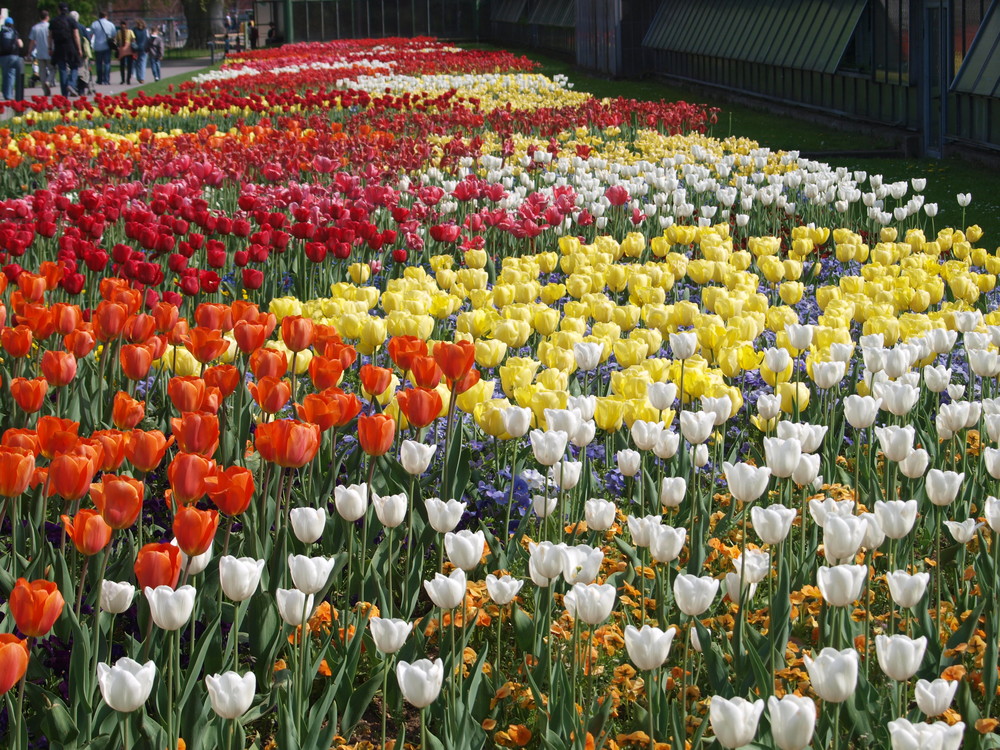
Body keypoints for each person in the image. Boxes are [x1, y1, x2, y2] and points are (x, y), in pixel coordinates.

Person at [49, 3, 82, 97]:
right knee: (75, 66)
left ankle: (64, 94)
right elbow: (76, 35)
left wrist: (50, 48)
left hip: (58, 47)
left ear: (58, 10)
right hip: (70, 46)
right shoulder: (71, 20)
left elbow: (50, 36)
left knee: (62, 69)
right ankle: (71, 84)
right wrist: (79, 48)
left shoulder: (53, 21)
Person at [28, 10, 54, 96]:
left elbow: (32, 41)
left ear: (40, 17)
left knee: (42, 72)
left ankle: (44, 89)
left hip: (39, 52)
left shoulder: (35, 28)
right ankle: (48, 81)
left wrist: (29, 52)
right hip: (49, 52)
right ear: (47, 17)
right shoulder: (50, 26)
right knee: (53, 69)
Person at [0, 17, 24, 101]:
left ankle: (4, 92)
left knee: (5, 74)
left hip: (2, 56)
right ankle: (9, 95)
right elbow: (20, 44)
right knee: (11, 75)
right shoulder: (15, 32)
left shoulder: (2, 32)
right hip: (13, 56)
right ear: (12, 24)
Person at [70, 11, 93, 95]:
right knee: (82, 70)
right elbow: (88, 39)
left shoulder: (68, 27)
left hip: (70, 51)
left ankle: (74, 87)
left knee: (72, 70)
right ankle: (81, 89)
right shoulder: (81, 27)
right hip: (81, 51)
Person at [90, 11, 115, 86]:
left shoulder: (94, 24)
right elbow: (114, 34)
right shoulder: (110, 24)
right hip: (107, 46)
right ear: (106, 16)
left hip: (97, 46)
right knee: (107, 63)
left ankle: (99, 79)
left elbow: (91, 33)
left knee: (99, 63)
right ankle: (106, 79)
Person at [116, 18, 134, 85]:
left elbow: (117, 41)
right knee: (129, 66)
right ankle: (128, 80)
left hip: (121, 50)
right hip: (129, 49)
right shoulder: (130, 31)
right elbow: (133, 39)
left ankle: (123, 80)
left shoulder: (118, 32)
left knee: (122, 66)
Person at [131, 20, 148, 85]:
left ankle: (138, 77)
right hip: (144, 48)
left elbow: (132, 39)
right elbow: (147, 38)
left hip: (136, 48)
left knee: (137, 63)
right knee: (142, 63)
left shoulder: (134, 30)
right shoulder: (145, 30)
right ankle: (142, 78)